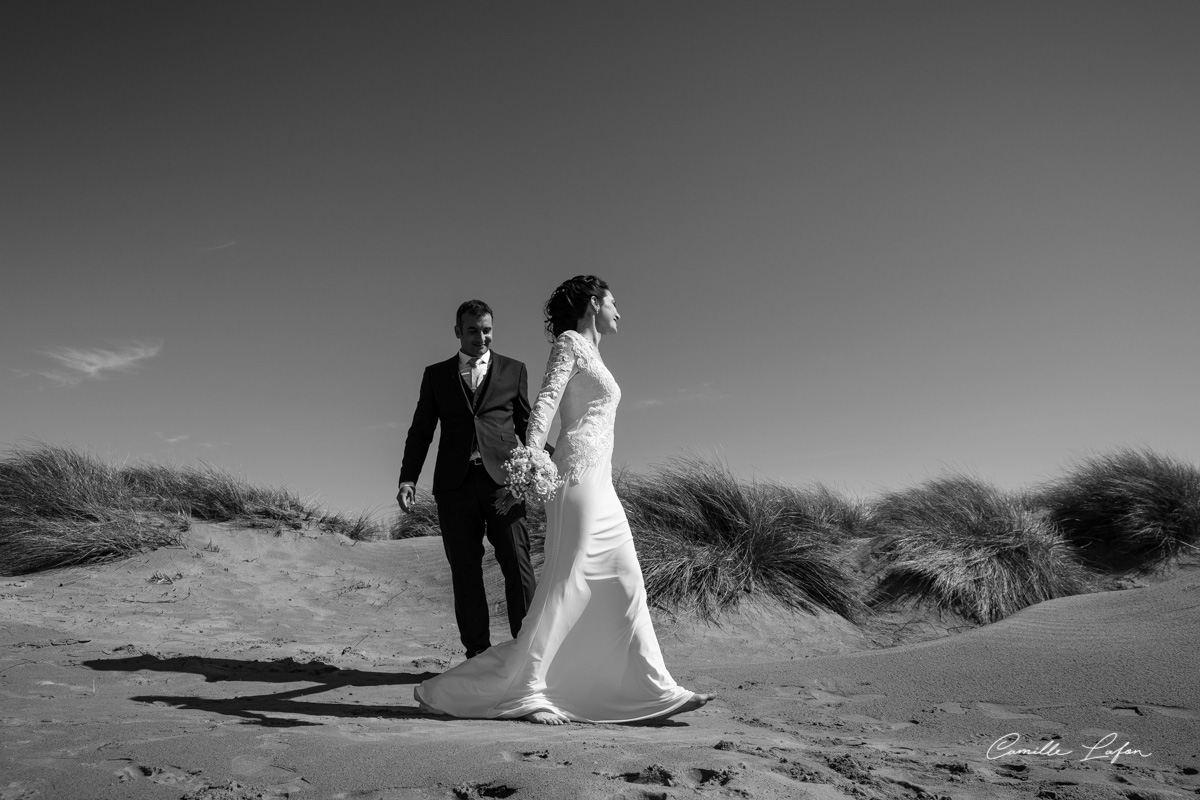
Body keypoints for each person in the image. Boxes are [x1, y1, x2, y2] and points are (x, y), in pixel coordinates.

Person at [414, 276, 713, 724]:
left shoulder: (595, 353)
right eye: (614, 302)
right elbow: (543, 409)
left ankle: (655, 688)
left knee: (627, 580)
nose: (619, 311)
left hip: (602, 483)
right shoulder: (570, 345)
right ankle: (529, 691)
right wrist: (532, 462)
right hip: (576, 481)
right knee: (567, 583)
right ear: (594, 304)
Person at [398, 299, 538, 660]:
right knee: (465, 570)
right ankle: (478, 655)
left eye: (487, 329)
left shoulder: (514, 369)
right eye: (473, 330)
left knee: (517, 563)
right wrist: (408, 478)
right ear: (458, 332)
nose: (482, 336)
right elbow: (421, 430)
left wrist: (549, 460)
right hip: (454, 487)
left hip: (505, 485)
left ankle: (528, 649)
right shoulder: (436, 375)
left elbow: (527, 425)